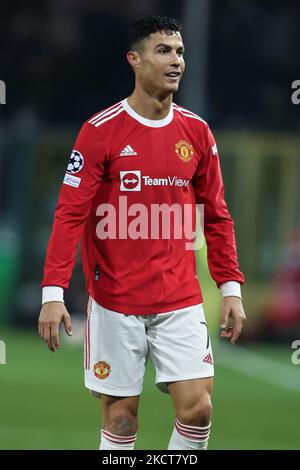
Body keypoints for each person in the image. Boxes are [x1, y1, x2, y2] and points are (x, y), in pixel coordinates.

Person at [38, 15, 246, 451]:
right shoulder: (100, 132)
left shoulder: (197, 132)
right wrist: (53, 295)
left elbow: (218, 216)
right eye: (164, 51)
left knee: (199, 410)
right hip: (116, 301)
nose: (177, 62)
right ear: (135, 60)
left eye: (181, 52)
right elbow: (69, 215)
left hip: (179, 298)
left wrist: (230, 287)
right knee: (121, 421)